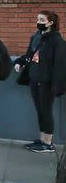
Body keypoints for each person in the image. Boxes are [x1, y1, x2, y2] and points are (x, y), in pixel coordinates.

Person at [14, 10, 66, 154]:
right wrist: (19, 61)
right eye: (38, 20)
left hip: (46, 83)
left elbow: (60, 65)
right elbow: (30, 55)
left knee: (46, 111)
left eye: (42, 20)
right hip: (34, 79)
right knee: (40, 110)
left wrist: (57, 86)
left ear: (51, 23)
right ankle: (42, 139)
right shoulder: (37, 37)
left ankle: (48, 143)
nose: (39, 23)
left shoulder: (57, 41)